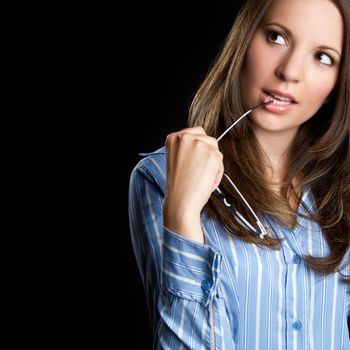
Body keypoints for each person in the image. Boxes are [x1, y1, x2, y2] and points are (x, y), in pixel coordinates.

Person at [128, 0, 350, 348]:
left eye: (323, 57)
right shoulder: (161, 177)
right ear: (244, 40)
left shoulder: (339, 196)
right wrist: (183, 215)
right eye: (276, 37)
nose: (290, 71)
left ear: (338, 83)